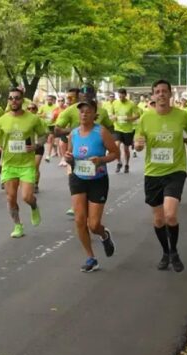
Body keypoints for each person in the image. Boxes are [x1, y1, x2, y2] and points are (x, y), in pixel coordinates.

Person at [134, 79, 187, 273]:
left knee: (170, 215)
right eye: (157, 91)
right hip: (153, 173)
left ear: (171, 95)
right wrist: (138, 145)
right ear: (153, 96)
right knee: (159, 220)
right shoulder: (145, 118)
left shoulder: (182, 116)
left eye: (164, 91)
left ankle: (174, 251)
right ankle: (166, 252)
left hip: (175, 171)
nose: (161, 94)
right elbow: (138, 142)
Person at [65, 100, 119, 272]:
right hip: (78, 177)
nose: (84, 114)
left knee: (93, 225)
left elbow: (115, 153)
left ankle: (104, 235)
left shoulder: (101, 132)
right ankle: (91, 257)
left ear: (94, 114)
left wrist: (101, 160)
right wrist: (68, 158)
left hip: (98, 179)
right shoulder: (73, 134)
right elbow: (69, 154)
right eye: (81, 111)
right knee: (80, 220)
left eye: (88, 111)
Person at [0, 87, 43, 238]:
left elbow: (43, 135)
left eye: (17, 98)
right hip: (9, 164)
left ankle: (34, 206)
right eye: (11, 98)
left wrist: (36, 145)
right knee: (10, 198)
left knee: (27, 196)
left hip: (26, 164)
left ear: (22, 100)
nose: (14, 100)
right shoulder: (2, 120)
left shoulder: (32, 118)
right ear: (8, 101)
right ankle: (18, 225)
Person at [111, 88, 140, 173]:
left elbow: (137, 115)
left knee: (126, 149)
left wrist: (129, 118)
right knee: (116, 146)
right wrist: (113, 117)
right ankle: (119, 162)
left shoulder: (131, 104)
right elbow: (112, 114)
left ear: (125, 95)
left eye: (122, 96)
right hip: (117, 128)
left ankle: (126, 164)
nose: (120, 97)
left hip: (128, 130)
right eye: (119, 96)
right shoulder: (115, 103)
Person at [27, 102, 48, 191]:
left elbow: (46, 134)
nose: (31, 110)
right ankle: (28, 182)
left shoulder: (41, 121)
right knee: (28, 166)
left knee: (35, 166)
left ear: (36, 110)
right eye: (29, 108)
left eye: (33, 108)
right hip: (27, 146)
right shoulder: (24, 121)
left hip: (38, 146)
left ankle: (35, 184)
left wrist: (39, 143)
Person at [37, 95, 58, 162]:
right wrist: (42, 115)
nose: (49, 101)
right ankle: (54, 148)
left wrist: (55, 117)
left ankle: (48, 155)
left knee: (50, 139)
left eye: (50, 99)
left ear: (53, 100)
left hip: (53, 125)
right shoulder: (43, 107)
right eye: (48, 99)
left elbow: (59, 115)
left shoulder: (56, 107)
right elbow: (37, 114)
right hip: (45, 125)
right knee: (50, 140)